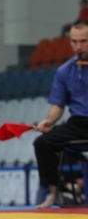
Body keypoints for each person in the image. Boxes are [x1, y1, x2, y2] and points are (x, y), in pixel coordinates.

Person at [34, 20, 88, 208]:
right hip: (79, 123)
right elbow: (58, 104)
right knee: (42, 143)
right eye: (74, 41)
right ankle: (53, 194)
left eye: (83, 41)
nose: (78, 46)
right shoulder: (64, 71)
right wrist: (49, 121)